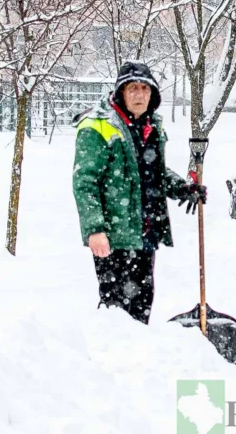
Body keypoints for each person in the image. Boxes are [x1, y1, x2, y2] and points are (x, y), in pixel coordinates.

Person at [71, 61, 207, 324]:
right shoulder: (97, 126)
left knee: (142, 302)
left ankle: (137, 358)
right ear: (121, 92)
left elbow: (151, 171)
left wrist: (182, 187)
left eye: (144, 88)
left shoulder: (149, 125)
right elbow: (84, 182)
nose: (138, 94)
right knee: (116, 308)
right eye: (132, 88)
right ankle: (110, 359)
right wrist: (94, 229)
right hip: (114, 235)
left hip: (144, 232)